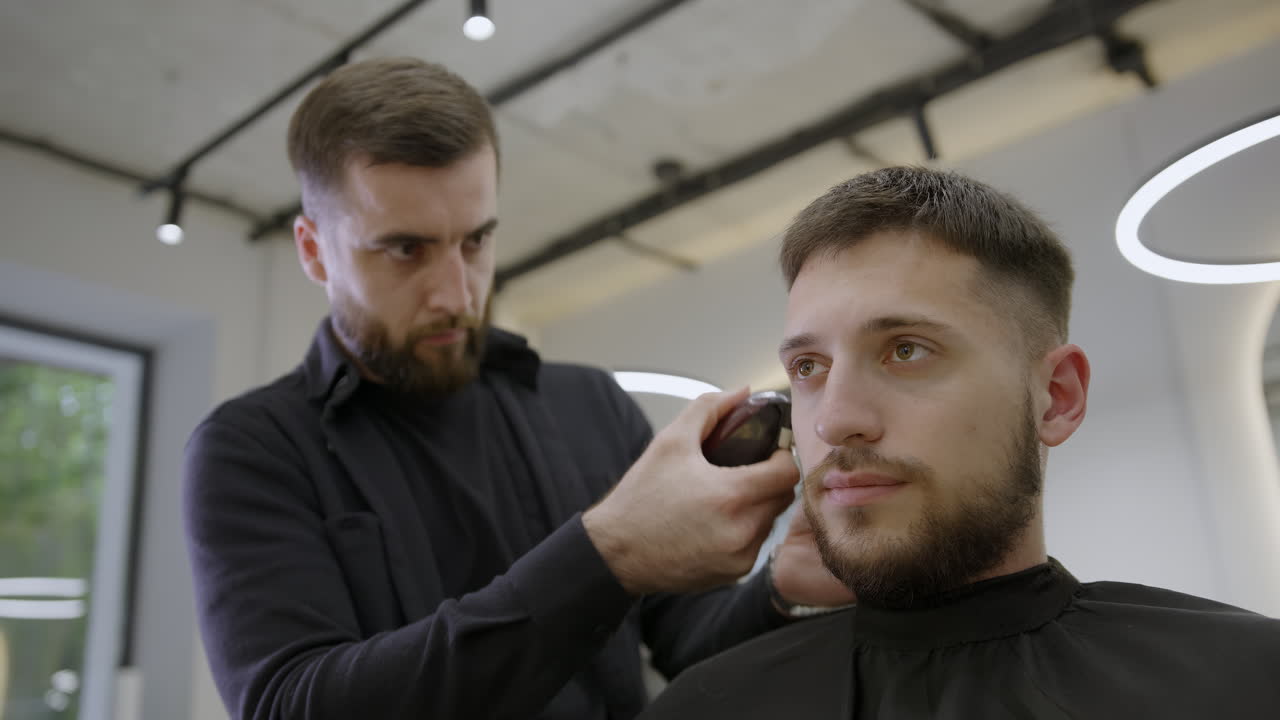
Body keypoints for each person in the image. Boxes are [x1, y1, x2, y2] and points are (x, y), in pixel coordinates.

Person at [181, 57, 854, 720]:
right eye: (405, 249)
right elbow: (293, 705)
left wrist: (781, 594)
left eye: (475, 242)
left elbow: (686, 641)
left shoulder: (589, 407)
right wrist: (608, 554)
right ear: (313, 250)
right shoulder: (253, 450)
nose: (457, 293)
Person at [640, 166, 1280, 719]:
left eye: (905, 350)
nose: (834, 422)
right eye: (809, 367)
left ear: (1056, 396)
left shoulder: (1247, 686)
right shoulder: (701, 711)